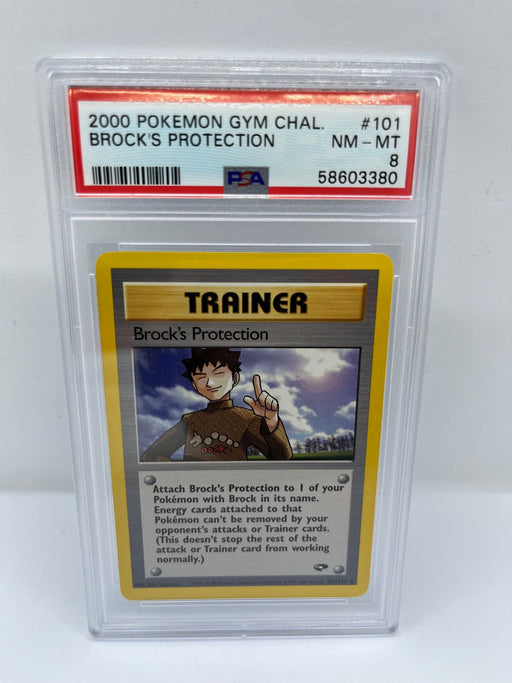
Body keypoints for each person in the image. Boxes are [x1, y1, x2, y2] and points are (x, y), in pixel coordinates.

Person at [141, 348, 292, 462]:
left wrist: (272, 420)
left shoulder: (247, 418)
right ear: (194, 385)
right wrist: (180, 477)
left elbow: (281, 457)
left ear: (235, 378)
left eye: (219, 374)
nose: (210, 383)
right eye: (201, 377)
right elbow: (152, 455)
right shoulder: (190, 420)